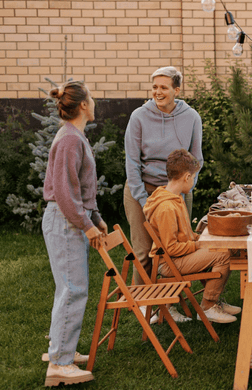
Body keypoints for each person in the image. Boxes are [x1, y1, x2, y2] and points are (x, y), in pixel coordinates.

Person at [42, 81, 107, 386]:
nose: (94, 103)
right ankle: (60, 364)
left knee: (68, 287)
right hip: (65, 220)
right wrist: (88, 225)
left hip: (69, 218)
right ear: (83, 105)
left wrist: (96, 217)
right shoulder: (70, 139)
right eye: (91, 98)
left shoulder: (74, 136)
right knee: (73, 289)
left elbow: (80, 188)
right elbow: (66, 195)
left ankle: (61, 349)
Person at [124, 66, 203, 317]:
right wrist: (144, 198)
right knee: (145, 251)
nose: (157, 92)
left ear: (176, 90)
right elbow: (132, 162)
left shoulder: (191, 117)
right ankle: (146, 305)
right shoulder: (139, 116)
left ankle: (171, 303)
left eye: (164, 87)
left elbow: (196, 158)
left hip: (178, 191)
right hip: (142, 189)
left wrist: (186, 187)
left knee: (176, 248)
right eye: (155, 87)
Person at [143, 149, 241, 324]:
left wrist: (201, 239)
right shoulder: (166, 208)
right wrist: (198, 245)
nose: (194, 181)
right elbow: (170, 248)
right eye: (194, 177)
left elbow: (184, 235)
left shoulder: (176, 198)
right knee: (223, 255)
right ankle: (208, 307)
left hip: (178, 256)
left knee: (223, 248)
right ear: (186, 177)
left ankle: (214, 301)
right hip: (168, 264)